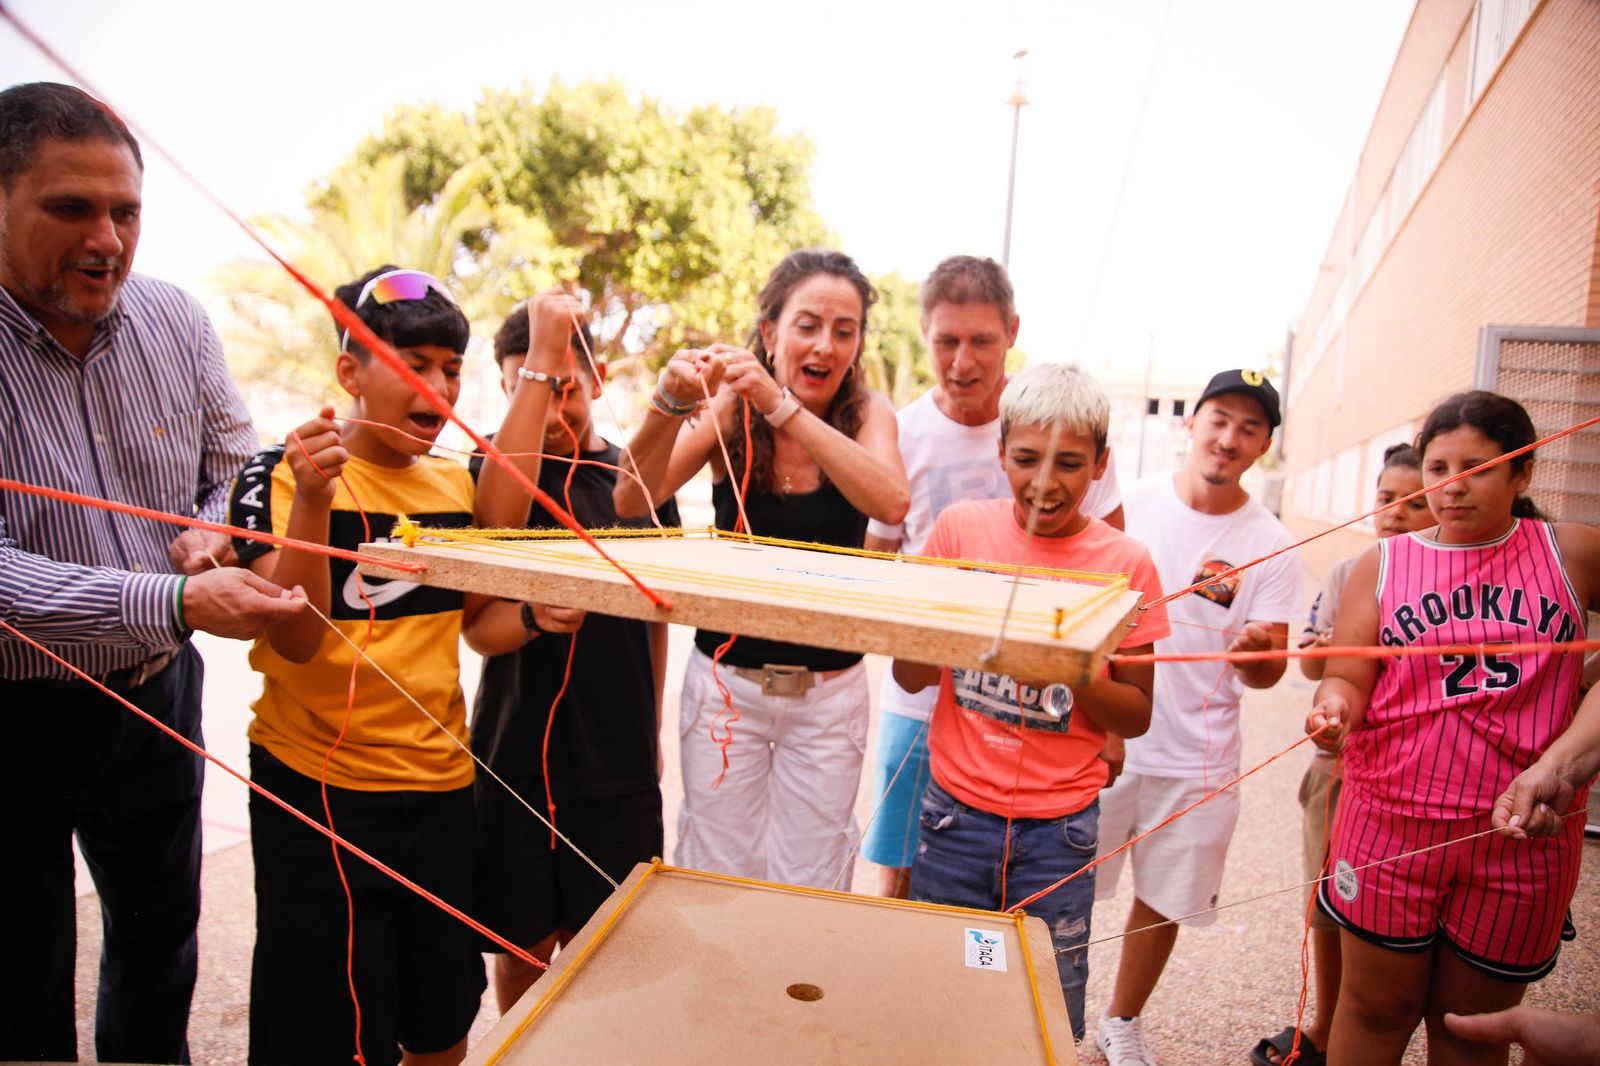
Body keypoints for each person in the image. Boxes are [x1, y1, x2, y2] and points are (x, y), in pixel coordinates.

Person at [0, 81, 305, 1064]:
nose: (108, 238)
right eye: (71, 208)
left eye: (126, 211)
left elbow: (236, 464)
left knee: (159, 942)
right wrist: (172, 597)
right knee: (20, 976)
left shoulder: (176, 319)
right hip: (16, 716)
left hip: (156, 697)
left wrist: (213, 532)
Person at [227, 267, 571, 1066]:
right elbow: (297, 639)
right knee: (326, 1031)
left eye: (451, 368)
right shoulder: (281, 471)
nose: (439, 385)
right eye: (413, 363)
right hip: (318, 792)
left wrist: (532, 615)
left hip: (443, 792)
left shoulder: (454, 481)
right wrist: (314, 500)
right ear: (349, 373)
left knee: (441, 1019)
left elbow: (496, 552)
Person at [1307, 390, 1600, 1065]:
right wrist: (1335, 709)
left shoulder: (1571, 554)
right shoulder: (1380, 565)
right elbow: (1347, 674)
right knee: (1374, 1008)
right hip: (1389, 824)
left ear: (1521, 472)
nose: (1452, 487)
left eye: (1478, 468)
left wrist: (1574, 746)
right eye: (1438, 469)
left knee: (1471, 1028)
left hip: (1521, 837)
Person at [614, 248, 909, 890]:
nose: (825, 346)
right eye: (807, 325)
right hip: (727, 687)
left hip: (829, 694)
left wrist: (781, 406)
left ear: (857, 344)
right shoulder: (730, 407)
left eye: (844, 330)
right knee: (714, 874)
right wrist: (667, 400)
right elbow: (630, 498)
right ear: (771, 332)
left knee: (812, 877)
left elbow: (891, 499)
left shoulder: (866, 414)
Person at [891, 363, 1167, 1040]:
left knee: (1041, 1011)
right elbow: (908, 675)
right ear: (1000, 451)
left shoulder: (1127, 563)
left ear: (1102, 464)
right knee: (942, 997)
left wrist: (1073, 671)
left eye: (1070, 463)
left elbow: (1136, 711)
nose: (1046, 481)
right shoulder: (960, 532)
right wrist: (949, 625)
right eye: (1026, 459)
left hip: (1059, 832)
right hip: (955, 817)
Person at [861, 254, 1124, 899]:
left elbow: (1116, 581)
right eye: (946, 341)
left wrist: (1113, 728)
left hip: (1043, 706)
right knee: (903, 873)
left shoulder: (1054, 423)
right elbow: (876, 569)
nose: (963, 361)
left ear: (1012, 330)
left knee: (1022, 890)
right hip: (923, 701)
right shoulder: (903, 431)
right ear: (924, 334)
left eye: (981, 340)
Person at [468, 303, 678, 1013]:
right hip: (514, 754)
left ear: (597, 379)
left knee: (612, 949)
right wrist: (531, 616)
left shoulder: (639, 480)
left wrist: (649, 734)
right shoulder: (491, 478)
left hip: (615, 755)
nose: (555, 409)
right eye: (527, 386)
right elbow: (475, 629)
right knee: (523, 944)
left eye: (567, 388)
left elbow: (657, 620)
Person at [1092, 368, 1301, 1066]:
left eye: (1249, 427)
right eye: (1218, 419)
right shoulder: (1131, 503)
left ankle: (1121, 1023)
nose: (1229, 437)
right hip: (1111, 733)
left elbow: (1271, 671)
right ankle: (1047, 1007)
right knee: (1057, 882)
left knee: (1164, 897)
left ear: (1265, 444)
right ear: (1192, 423)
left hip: (1197, 757)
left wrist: (1254, 654)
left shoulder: (1268, 539)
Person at [1252, 443, 1432, 1066]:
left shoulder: (1453, 580)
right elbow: (1308, 662)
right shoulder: (1351, 570)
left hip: (1418, 782)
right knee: (1328, 901)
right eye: (1387, 500)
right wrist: (1331, 655)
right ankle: (1326, 1026)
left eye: (1415, 501)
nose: (1399, 512)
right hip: (1340, 768)